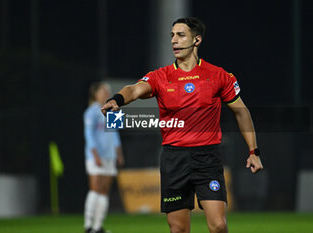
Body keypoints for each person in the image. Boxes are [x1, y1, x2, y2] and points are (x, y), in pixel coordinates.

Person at [101, 17, 263, 233]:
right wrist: (117, 99)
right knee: (178, 229)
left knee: (218, 225)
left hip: (207, 158)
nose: (174, 41)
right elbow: (134, 90)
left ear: (197, 40)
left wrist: (253, 151)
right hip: (174, 159)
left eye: (180, 35)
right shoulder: (161, 76)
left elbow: (242, 113)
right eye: (172, 36)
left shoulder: (217, 75)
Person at [83, 82, 124, 233]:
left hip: (109, 156)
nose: (106, 93)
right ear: (96, 93)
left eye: (108, 91)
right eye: (103, 90)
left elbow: (115, 135)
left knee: (104, 191)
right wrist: (95, 155)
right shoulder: (91, 112)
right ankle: (88, 225)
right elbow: (89, 135)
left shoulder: (113, 111)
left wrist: (119, 153)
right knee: (95, 190)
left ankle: (97, 226)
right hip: (95, 156)